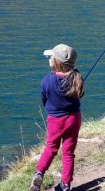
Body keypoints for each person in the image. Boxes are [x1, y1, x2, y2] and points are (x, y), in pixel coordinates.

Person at [30, 44, 84, 191]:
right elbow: (79, 95)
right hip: (73, 119)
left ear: (56, 62)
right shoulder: (77, 78)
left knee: (51, 148)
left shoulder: (47, 80)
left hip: (55, 120)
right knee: (68, 153)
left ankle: (39, 172)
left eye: (50, 57)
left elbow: (44, 100)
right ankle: (65, 185)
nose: (49, 60)